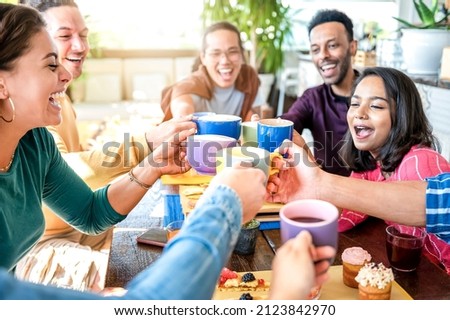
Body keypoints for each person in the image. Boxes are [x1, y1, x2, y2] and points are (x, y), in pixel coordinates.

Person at [0, 1, 190, 283]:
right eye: (51, 65)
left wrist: (153, 166)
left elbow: (89, 213)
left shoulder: (35, 142)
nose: (64, 74)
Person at [266, 137, 450, 274]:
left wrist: (319, 183)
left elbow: (435, 206)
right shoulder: (372, 166)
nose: (359, 113)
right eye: (354, 104)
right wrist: (316, 184)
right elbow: (344, 216)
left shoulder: (419, 162)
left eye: (376, 105)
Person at [280, 9, 359, 177]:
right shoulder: (312, 98)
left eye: (332, 45)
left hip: (371, 196)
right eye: (315, 50)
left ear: (352, 47)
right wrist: (267, 127)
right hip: (327, 196)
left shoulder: (378, 94)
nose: (323, 55)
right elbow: (288, 122)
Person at [160, 21, 265, 122]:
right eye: (215, 53)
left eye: (232, 51)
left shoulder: (249, 78)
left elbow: (251, 122)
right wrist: (182, 118)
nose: (225, 61)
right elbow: (182, 110)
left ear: (242, 54)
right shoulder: (188, 86)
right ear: (203, 58)